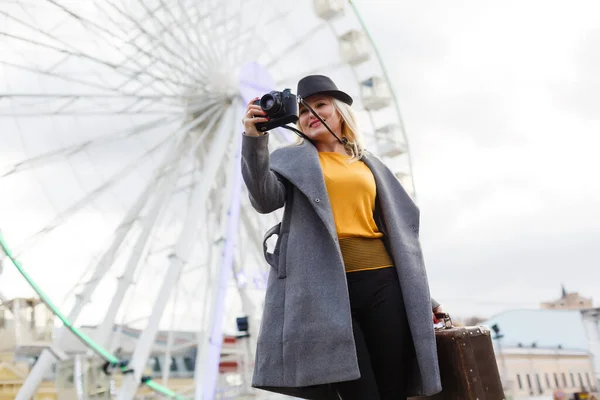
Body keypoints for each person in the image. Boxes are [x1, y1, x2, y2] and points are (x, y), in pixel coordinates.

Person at [241, 74, 443, 400]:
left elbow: (400, 238)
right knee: (358, 392)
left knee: (394, 388)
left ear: (340, 113)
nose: (311, 115)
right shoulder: (290, 161)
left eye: (320, 106)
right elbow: (264, 200)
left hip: (384, 282)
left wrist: (426, 300)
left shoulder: (370, 165)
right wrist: (253, 140)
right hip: (323, 291)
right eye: (304, 110)